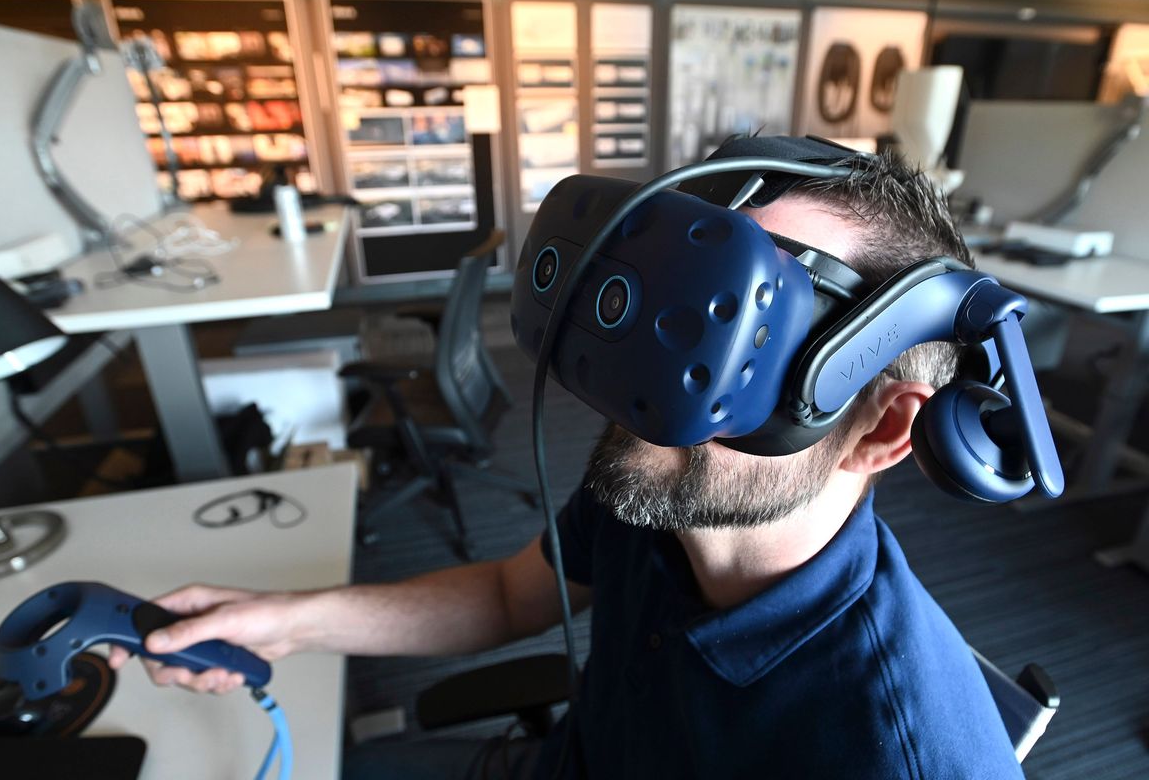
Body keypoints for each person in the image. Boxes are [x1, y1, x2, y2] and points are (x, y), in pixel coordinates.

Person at [110, 143, 1023, 779]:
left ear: (879, 431)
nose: (648, 393)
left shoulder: (893, 756)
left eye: (736, 350)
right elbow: (515, 596)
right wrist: (289, 624)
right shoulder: (659, 494)